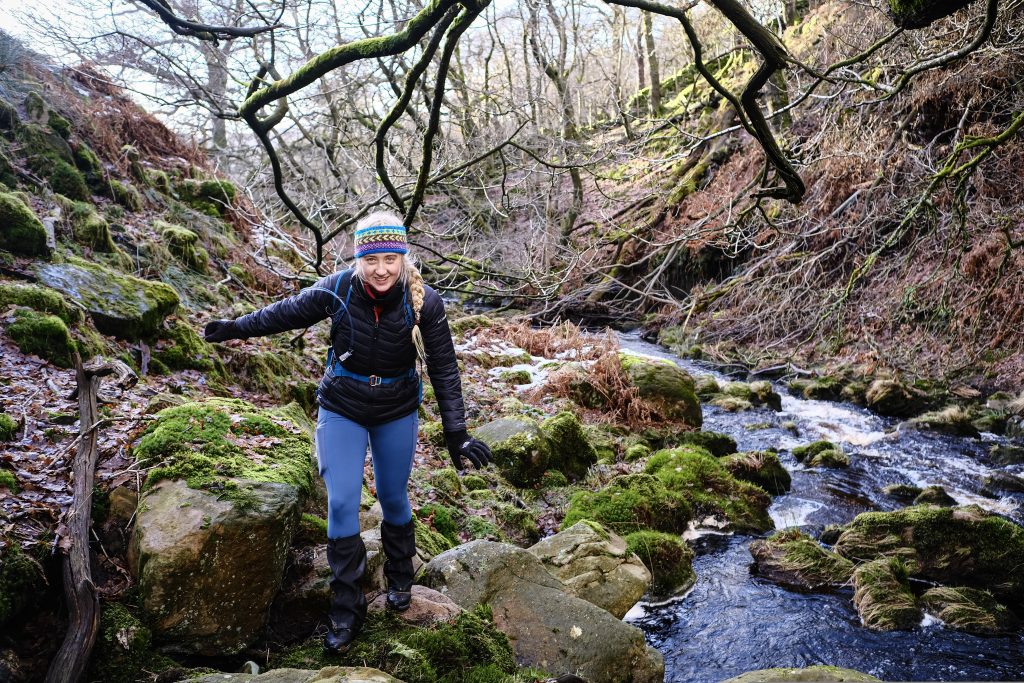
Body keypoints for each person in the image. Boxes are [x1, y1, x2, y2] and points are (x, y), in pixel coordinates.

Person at [202, 212, 492, 654]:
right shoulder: (336, 289)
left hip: (397, 407)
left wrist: (457, 434)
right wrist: (236, 328)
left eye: (391, 259)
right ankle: (346, 608)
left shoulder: (424, 302)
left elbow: (445, 367)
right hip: (342, 406)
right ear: (358, 259)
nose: (381, 270)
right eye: (372, 260)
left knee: (393, 496)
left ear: (403, 257)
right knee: (340, 501)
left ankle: (399, 576)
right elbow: (284, 312)